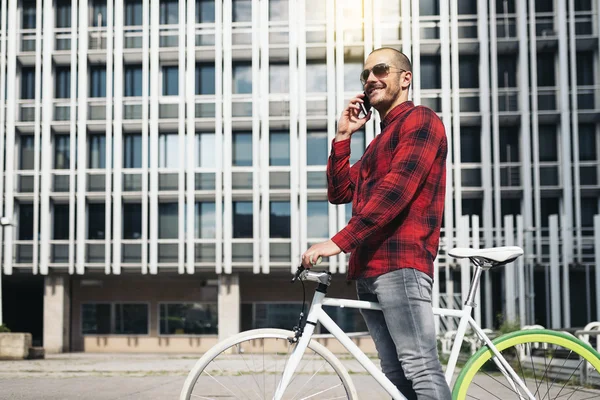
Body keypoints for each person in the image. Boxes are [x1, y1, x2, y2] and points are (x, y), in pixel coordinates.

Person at [301, 47, 451, 400]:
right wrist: (343, 137)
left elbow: (396, 192)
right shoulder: (378, 144)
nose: (370, 79)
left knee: (419, 365)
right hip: (368, 270)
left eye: (380, 70)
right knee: (395, 373)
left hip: (401, 263)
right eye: (365, 75)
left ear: (405, 78)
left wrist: (337, 242)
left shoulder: (422, 121)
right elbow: (340, 193)